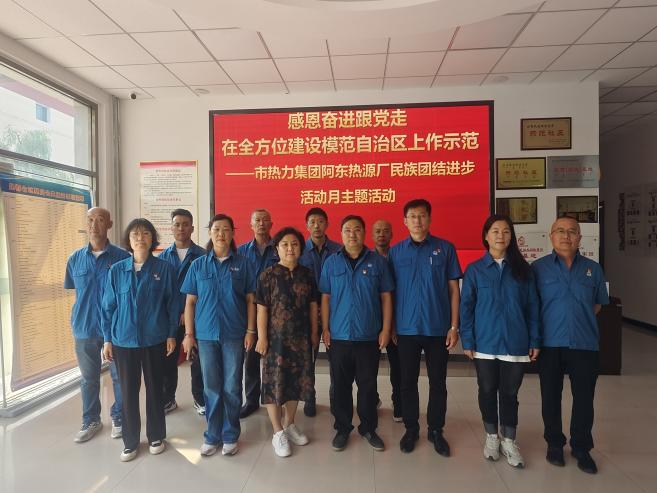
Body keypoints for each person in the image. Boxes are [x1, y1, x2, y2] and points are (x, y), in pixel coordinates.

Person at [460, 214, 540, 468]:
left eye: (506, 231)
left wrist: (535, 339)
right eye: (495, 231)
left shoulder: (523, 270)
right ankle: (492, 436)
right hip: (484, 343)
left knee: (509, 393)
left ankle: (509, 440)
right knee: (486, 390)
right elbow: (466, 307)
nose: (500, 236)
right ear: (486, 236)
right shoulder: (475, 270)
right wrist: (467, 340)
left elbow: (533, 308)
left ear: (511, 237)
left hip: (515, 342)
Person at [533, 216, 609, 475]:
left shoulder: (593, 269)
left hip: (584, 343)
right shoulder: (538, 268)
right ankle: (554, 444)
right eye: (560, 231)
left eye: (572, 232)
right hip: (549, 343)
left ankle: (581, 447)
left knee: (584, 398)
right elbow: (533, 306)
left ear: (579, 237)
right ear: (551, 236)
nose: (566, 236)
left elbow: (597, 304)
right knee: (550, 396)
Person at [388, 198, 462, 456]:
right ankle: (411, 428)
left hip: (437, 328)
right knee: (407, 382)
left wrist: (454, 326)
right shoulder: (396, 252)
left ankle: (435, 430)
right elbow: (390, 293)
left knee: (438, 382)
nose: (417, 220)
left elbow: (454, 291)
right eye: (412, 216)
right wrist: (392, 326)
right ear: (404, 221)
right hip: (406, 329)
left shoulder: (445, 249)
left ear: (429, 219)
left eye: (421, 215)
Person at [101, 218, 178, 462]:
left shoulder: (164, 269)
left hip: (155, 339)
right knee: (127, 392)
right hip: (123, 341)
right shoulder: (116, 271)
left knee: (155, 389)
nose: (140, 238)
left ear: (152, 238)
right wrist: (107, 339)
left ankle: (156, 436)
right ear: (129, 240)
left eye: (145, 233)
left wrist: (171, 334)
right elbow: (108, 307)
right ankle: (130, 441)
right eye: (135, 234)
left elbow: (173, 305)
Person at [181, 214, 256, 457]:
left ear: (233, 233)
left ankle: (230, 434)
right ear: (210, 233)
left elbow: (251, 300)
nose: (221, 234)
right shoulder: (198, 265)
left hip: (234, 334)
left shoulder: (244, 264)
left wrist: (251, 331)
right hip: (206, 336)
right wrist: (189, 334)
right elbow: (190, 302)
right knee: (211, 387)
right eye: (216, 229)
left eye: (225, 229)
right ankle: (212, 435)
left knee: (232, 387)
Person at [320, 215, 393, 452]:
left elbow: (386, 297)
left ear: (364, 232)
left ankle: (369, 428)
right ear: (341, 234)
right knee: (340, 386)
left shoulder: (377, 262)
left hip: (368, 336)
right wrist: (325, 328)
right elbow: (325, 298)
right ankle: (343, 428)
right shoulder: (331, 262)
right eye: (348, 230)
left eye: (357, 230)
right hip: (339, 336)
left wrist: (386, 329)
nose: (352, 234)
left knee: (367, 385)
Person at [64, 207, 129, 443]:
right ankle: (91, 419)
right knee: (88, 378)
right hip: (85, 328)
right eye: (90, 220)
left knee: (119, 377)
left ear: (109, 224)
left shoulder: (122, 258)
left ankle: (119, 417)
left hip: (115, 328)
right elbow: (75, 291)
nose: (94, 224)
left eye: (100, 220)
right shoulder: (75, 259)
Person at [255, 227, 319, 457]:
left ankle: (290, 423)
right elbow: (262, 309)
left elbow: (313, 306)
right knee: (274, 384)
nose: (290, 248)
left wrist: (314, 333)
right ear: (277, 248)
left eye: (294, 244)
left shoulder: (308, 274)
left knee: (296, 382)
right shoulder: (268, 275)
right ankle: (277, 431)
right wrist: (262, 337)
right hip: (275, 341)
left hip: (301, 340)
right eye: (285, 244)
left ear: (301, 248)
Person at [158, 209, 206, 415]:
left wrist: (189, 316)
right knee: (168, 361)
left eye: (185, 224)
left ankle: (200, 400)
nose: (181, 228)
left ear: (192, 228)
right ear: (171, 228)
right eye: (177, 224)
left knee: (198, 362)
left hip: (195, 319)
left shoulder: (203, 256)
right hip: (169, 320)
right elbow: (159, 292)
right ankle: (168, 399)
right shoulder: (162, 258)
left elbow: (204, 291)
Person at [298, 207, 341, 417]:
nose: (317, 226)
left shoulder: (339, 250)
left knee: (336, 360)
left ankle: (336, 398)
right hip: (307, 313)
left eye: (320, 221)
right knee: (308, 360)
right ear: (307, 225)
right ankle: (310, 398)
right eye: (312, 222)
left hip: (335, 312)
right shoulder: (299, 251)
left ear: (327, 224)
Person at [238, 209, 279, 419]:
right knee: (251, 358)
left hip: (277, 311)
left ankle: (277, 399)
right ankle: (252, 400)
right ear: (251, 225)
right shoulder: (241, 252)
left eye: (265, 220)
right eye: (257, 220)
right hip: (250, 311)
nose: (261, 223)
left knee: (276, 358)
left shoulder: (279, 249)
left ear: (271, 224)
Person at [372, 219, 402, 422]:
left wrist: (393, 326)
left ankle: (398, 404)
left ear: (391, 234)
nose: (381, 234)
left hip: (396, 322)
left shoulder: (398, 258)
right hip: (372, 322)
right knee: (369, 368)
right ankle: (372, 401)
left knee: (397, 367)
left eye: (385, 231)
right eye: (377, 231)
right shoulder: (366, 258)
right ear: (372, 235)